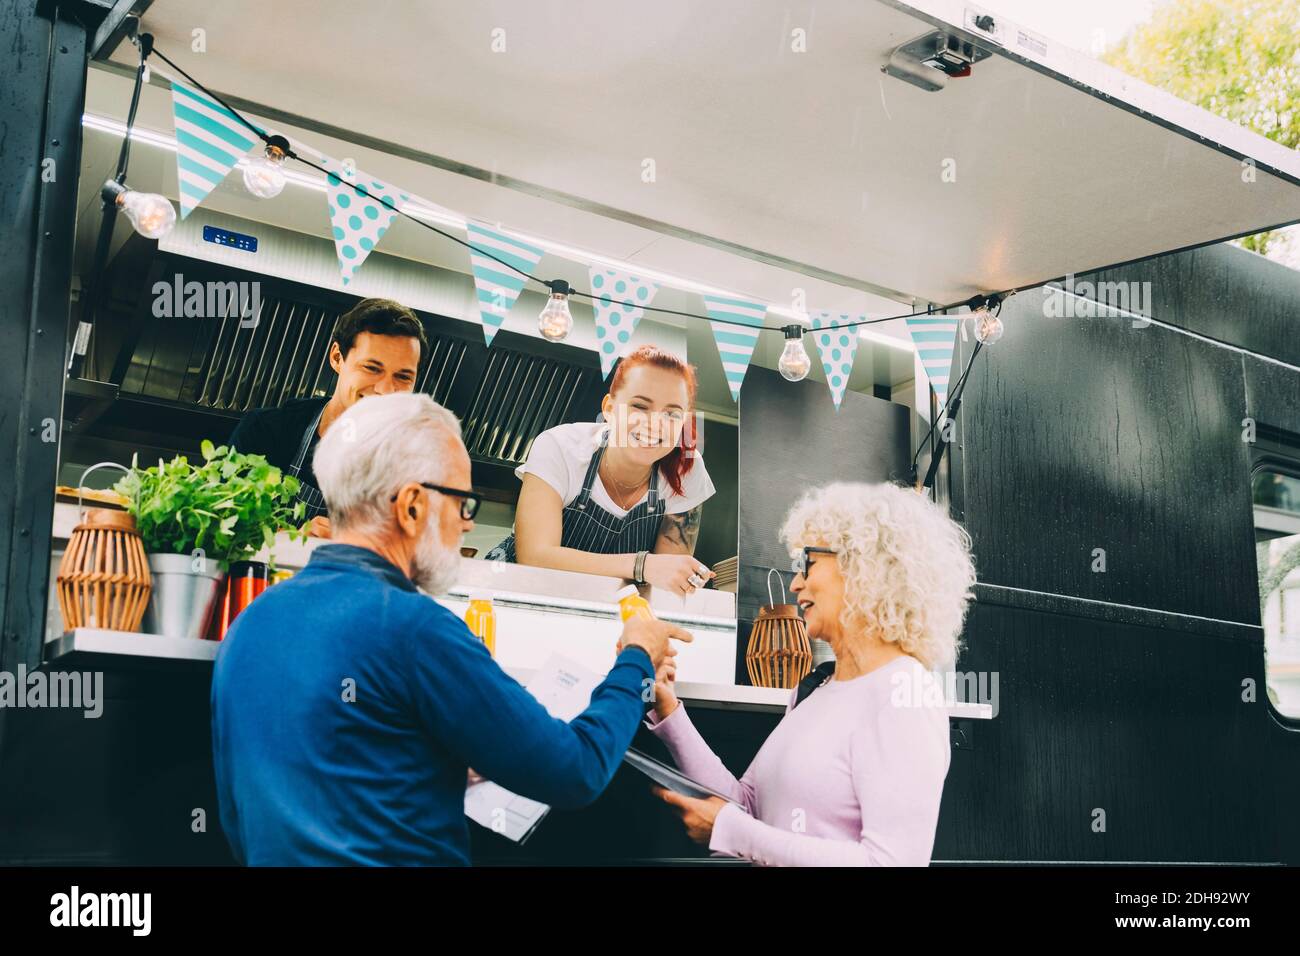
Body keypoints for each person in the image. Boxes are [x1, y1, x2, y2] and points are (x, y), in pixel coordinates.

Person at [210, 392, 692, 865]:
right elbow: (576, 771)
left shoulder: (251, 620)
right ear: (413, 506)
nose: (466, 526)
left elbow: (245, 814)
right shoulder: (416, 628)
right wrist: (636, 659)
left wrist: (430, 770)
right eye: (463, 502)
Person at [648, 482, 975, 866]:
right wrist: (669, 712)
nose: (795, 582)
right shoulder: (813, 688)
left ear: (865, 565)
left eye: (809, 562)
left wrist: (732, 831)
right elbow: (746, 807)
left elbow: (889, 862)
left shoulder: (905, 694)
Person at [484, 345, 718, 598]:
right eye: (640, 406)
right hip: (509, 593)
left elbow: (666, 583)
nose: (655, 423)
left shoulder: (687, 469)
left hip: (608, 608)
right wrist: (642, 565)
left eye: (672, 413)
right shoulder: (560, 446)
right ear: (609, 408)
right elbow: (535, 556)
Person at [227, 297, 427, 537]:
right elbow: (218, 528)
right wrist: (291, 541)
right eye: (372, 368)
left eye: (403, 377)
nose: (386, 390)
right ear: (336, 358)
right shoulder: (265, 430)